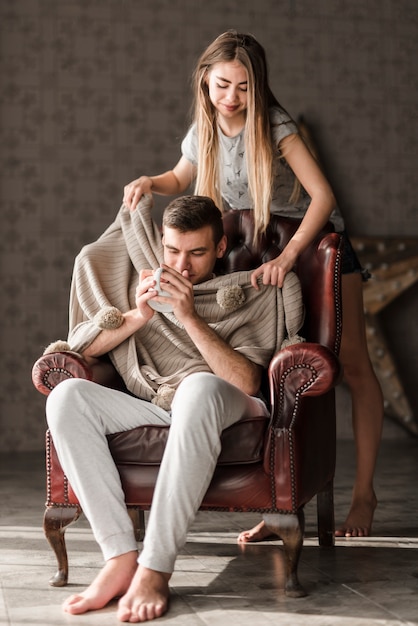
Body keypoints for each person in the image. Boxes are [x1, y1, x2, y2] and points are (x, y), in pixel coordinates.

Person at [122, 29, 383, 539]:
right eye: (222, 85)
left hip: (312, 250)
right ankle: (277, 501)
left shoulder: (276, 125)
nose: (231, 98)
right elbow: (181, 176)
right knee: (266, 366)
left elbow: (323, 196)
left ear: (257, 86)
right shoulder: (205, 128)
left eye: (243, 87)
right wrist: (151, 183)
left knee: (352, 364)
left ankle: (364, 493)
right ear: (205, 80)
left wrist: (288, 258)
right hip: (259, 256)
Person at [46, 194, 302, 622]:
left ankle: (156, 567)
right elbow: (82, 347)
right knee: (66, 397)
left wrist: (189, 317)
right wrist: (138, 317)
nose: (181, 266)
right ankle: (120, 557)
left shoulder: (252, 292)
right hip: (159, 404)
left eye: (197, 253)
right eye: (172, 251)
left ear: (220, 248)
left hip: (228, 404)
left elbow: (246, 381)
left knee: (198, 388)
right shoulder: (145, 284)